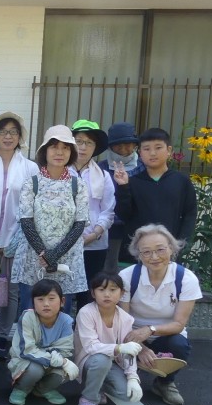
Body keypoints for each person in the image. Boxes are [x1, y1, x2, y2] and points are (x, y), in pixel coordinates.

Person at [0, 112, 38, 359]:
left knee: (11, 290)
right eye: (3, 131)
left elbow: (31, 206)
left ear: (20, 136)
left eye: (13, 132)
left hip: (17, 239)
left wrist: (17, 239)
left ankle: (2, 335)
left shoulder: (30, 168)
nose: (8, 136)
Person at [118, 224, 202, 405]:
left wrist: (150, 330)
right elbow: (121, 321)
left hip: (166, 334)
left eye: (160, 249)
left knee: (179, 345)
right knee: (120, 390)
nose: (154, 257)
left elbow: (179, 324)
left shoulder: (186, 279)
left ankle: (164, 383)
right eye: (146, 252)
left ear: (171, 248)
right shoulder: (126, 276)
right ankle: (128, 374)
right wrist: (140, 347)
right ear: (139, 255)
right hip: (130, 334)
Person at [14, 125, 88, 313]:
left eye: (65, 147)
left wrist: (55, 254)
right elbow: (26, 221)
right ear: (44, 151)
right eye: (54, 147)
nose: (60, 152)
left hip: (67, 259)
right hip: (34, 259)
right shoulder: (31, 183)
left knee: (62, 314)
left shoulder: (78, 185)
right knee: (30, 313)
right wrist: (44, 254)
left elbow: (79, 224)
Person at [112, 127, 197, 265]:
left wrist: (181, 244)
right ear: (140, 153)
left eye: (158, 148)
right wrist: (122, 187)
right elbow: (123, 215)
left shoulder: (181, 181)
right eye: (146, 149)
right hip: (135, 254)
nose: (152, 153)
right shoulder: (132, 182)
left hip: (169, 252)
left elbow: (190, 214)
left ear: (169, 150)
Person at [73, 272, 144, 405]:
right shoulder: (86, 313)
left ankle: (98, 386)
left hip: (111, 363)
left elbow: (129, 350)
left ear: (122, 293)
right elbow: (91, 346)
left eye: (113, 290)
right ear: (93, 293)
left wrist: (133, 377)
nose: (107, 294)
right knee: (102, 360)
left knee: (127, 394)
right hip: (89, 361)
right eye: (101, 289)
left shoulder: (126, 318)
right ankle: (88, 399)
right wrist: (118, 348)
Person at [7, 278, 77, 405]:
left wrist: (61, 361)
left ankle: (42, 389)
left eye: (51, 299)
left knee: (68, 370)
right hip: (26, 361)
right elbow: (27, 350)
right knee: (36, 369)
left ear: (62, 301)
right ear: (33, 302)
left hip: (51, 360)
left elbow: (65, 350)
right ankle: (21, 389)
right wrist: (60, 360)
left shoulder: (66, 321)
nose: (46, 304)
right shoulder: (27, 317)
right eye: (40, 299)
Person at [71, 120, 116, 309]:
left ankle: (85, 326)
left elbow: (108, 211)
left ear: (95, 147)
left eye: (89, 143)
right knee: (62, 291)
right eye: (79, 141)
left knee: (88, 292)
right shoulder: (59, 172)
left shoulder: (103, 176)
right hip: (63, 244)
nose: (83, 147)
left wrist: (94, 234)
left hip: (94, 244)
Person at [99, 121, 144, 272]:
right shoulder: (101, 168)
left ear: (135, 145)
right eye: (118, 145)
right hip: (109, 228)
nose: (123, 149)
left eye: (128, 144)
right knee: (108, 269)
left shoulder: (144, 167)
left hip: (137, 228)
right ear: (110, 147)